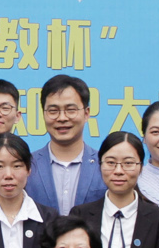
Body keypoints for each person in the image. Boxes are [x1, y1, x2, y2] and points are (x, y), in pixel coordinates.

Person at [79, 131, 159, 248]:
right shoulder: (81, 215)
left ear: (141, 167)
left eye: (128, 163)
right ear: (100, 165)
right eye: (110, 163)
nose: (118, 171)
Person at [27, 75, 106, 212]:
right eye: (53, 111)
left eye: (70, 110)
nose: (62, 118)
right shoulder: (26, 165)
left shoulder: (104, 165)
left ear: (86, 113)